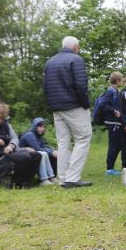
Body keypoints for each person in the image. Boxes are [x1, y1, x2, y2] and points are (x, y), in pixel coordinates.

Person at [43, 36, 93, 189]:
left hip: (57, 108)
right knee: (83, 138)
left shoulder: (49, 62)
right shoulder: (76, 59)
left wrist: (53, 104)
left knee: (63, 142)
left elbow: (45, 87)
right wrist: (85, 104)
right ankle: (72, 178)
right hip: (74, 105)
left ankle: (63, 178)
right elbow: (80, 84)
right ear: (75, 47)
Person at [99, 72, 126, 176]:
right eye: (122, 80)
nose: (123, 81)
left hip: (117, 122)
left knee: (118, 145)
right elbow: (103, 104)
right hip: (113, 123)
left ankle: (111, 168)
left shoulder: (115, 91)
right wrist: (114, 111)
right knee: (114, 146)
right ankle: (109, 169)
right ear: (117, 81)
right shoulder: (110, 91)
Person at [19, 118, 58, 185]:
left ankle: (51, 177)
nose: (42, 129)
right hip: (22, 154)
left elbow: (44, 147)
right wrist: (51, 152)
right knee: (42, 153)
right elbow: (37, 148)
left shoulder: (39, 136)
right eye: (40, 126)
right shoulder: (30, 134)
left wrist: (52, 151)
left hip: (33, 153)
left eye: (44, 127)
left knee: (44, 153)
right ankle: (44, 179)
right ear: (35, 126)